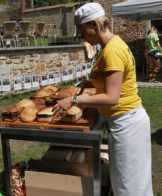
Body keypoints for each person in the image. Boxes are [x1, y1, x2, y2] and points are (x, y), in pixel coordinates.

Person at [52, 3, 153, 196]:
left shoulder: (112, 51)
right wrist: (86, 85)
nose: (82, 36)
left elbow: (111, 97)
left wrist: (74, 101)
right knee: (126, 181)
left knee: (129, 186)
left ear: (94, 25)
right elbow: (109, 81)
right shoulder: (109, 46)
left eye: (82, 30)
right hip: (122, 122)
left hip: (127, 124)